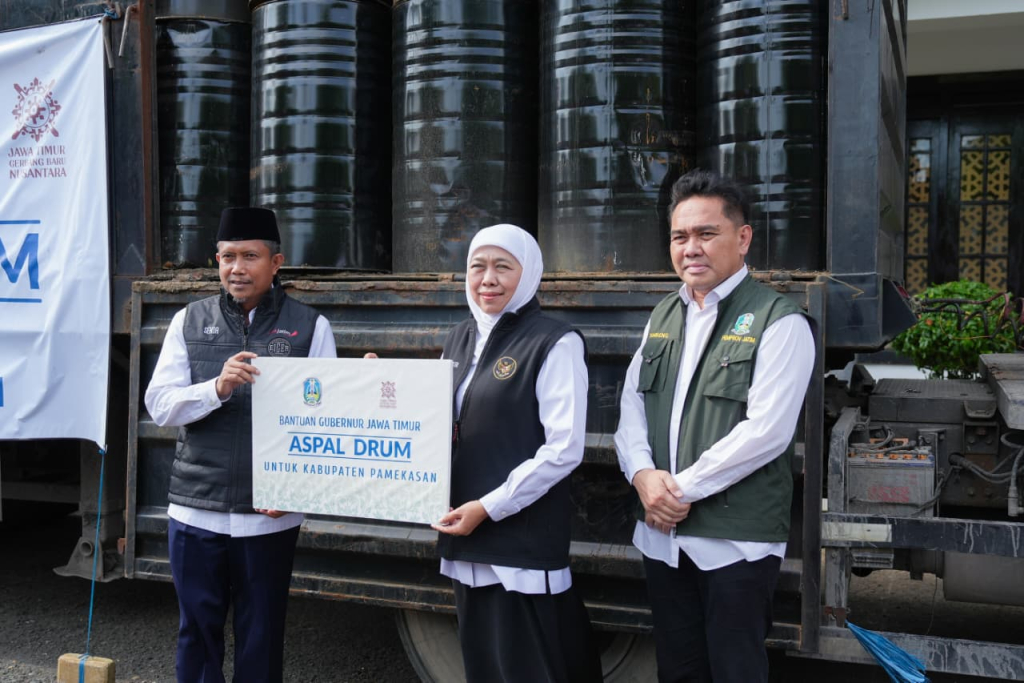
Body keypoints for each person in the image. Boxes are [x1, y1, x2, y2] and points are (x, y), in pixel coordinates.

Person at [614, 170, 815, 683]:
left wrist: (676, 489)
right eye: (680, 237)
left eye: (707, 233)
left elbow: (766, 431)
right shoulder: (664, 314)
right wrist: (642, 476)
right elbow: (631, 407)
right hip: (663, 539)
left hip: (734, 542)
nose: (691, 248)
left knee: (735, 671)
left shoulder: (779, 320)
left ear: (743, 238)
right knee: (678, 671)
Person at [144, 207, 336, 683]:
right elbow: (160, 406)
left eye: (250, 256)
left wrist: (296, 493)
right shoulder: (188, 321)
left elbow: (327, 422)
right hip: (195, 509)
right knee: (197, 634)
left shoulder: (311, 327)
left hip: (268, 517)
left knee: (262, 635)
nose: (237, 267)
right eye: (228, 256)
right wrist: (217, 387)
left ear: (276, 263)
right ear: (216, 260)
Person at [431, 224, 602, 683]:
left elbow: (564, 448)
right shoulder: (460, 337)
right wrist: (380, 390)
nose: (488, 278)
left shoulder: (554, 341)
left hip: (519, 540)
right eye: (477, 266)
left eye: (503, 267)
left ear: (528, 275)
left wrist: (489, 507)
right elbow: (436, 423)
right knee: (486, 667)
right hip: (466, 533)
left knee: (529, 667)